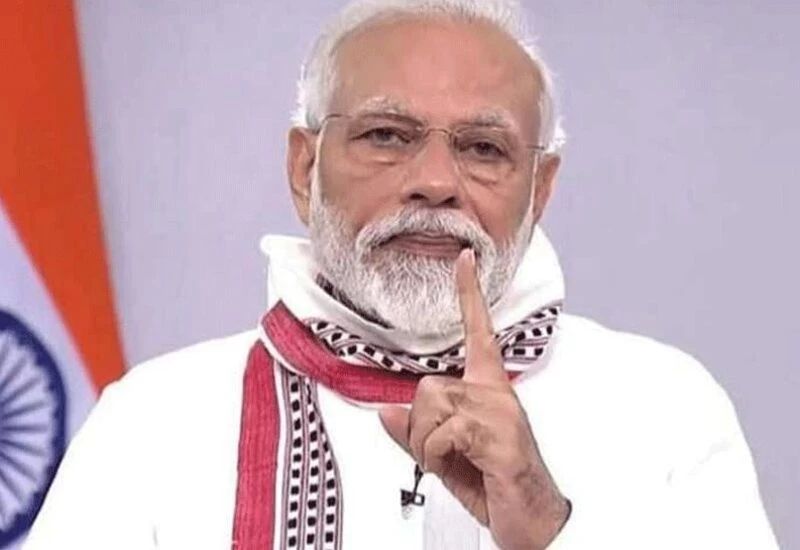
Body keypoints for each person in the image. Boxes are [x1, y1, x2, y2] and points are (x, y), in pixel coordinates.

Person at [24, 0, 778, 548]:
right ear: (304, 169)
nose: (436, 182)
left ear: (540, 191)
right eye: (387, 136)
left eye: (483, 148)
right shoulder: (154, 422)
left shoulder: (666, 408)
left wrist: (550, 528)